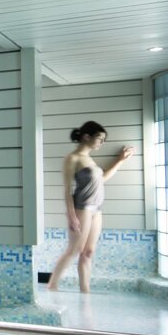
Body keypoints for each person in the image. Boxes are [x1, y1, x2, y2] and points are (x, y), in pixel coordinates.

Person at [47, 120, 135, 292]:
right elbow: (67, 189)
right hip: (82, 208)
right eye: (100, 138)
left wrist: (120, 160)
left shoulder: (90, 159)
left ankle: (85, 291)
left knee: (88, 252)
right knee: (75, 250)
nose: (102, 143)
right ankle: (52, 286)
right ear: (87, 136)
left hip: (97, 209)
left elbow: (101, 179)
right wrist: (71, 216)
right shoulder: (72, 158)